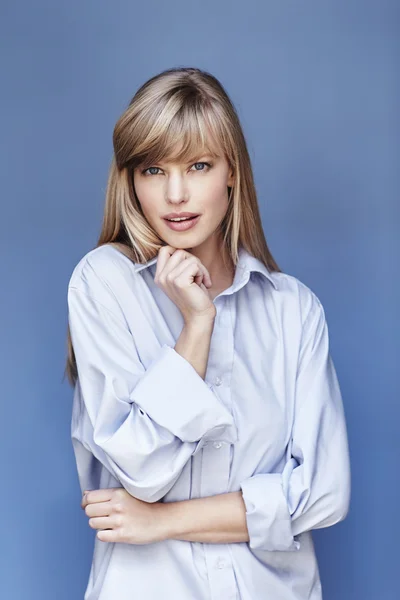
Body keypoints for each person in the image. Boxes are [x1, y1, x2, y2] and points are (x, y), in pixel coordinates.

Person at [65, 66, 351, 600]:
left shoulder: (294, 311)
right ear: (130, 179)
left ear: (231, 173)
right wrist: (197, 325)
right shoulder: (105, 283)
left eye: (198, 165)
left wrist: (161, 522)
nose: (176, 193)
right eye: (153, 169)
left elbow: (323, 496)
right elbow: (141, 470)